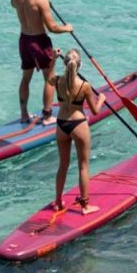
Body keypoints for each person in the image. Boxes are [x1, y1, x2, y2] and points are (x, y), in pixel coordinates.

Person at [11, 0, 73, 125]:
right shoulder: (41, 0)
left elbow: (13, 3)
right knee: (50, 78)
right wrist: (67, 28)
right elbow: (52, 28)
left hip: (24, 40)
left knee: (26, 78)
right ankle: (47, 116)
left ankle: (24, 115)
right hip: (39, 41)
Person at [50, 49, 106, 215]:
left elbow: (48, 77)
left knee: (63, 165)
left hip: (61, 125)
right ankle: (85, 206)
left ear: (64, 64)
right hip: (78, 124)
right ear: (79, 65)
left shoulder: (58, 80)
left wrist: (53, 59)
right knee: (83, 166)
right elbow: (95, 111)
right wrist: (101, 100)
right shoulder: (84, 85)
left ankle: (58, 201)